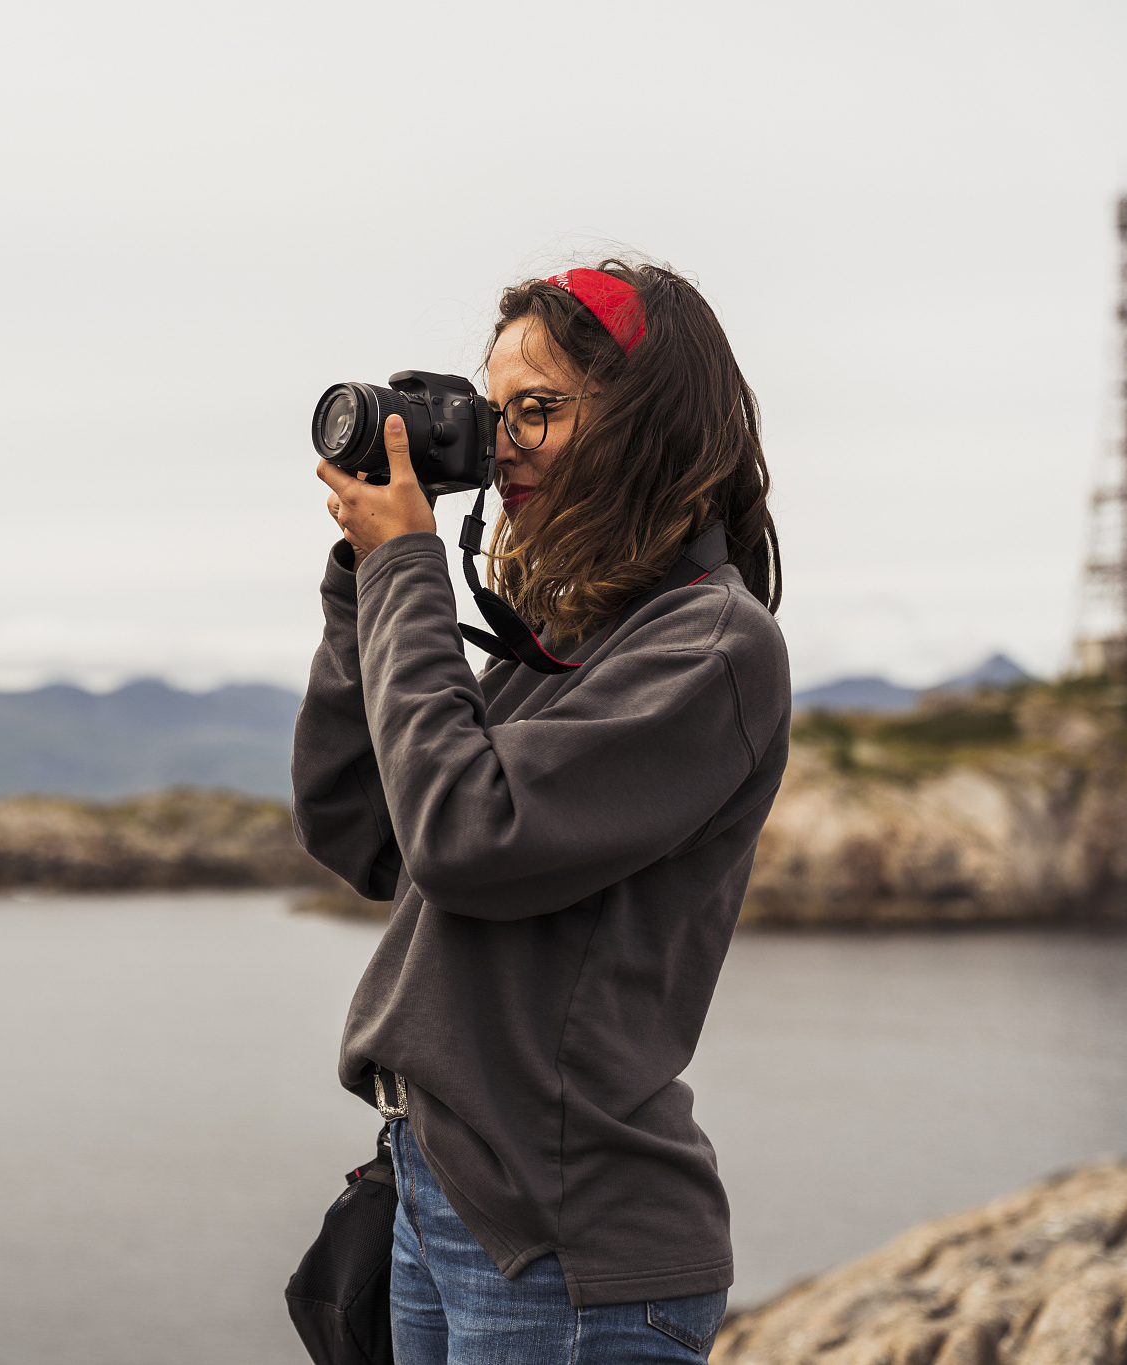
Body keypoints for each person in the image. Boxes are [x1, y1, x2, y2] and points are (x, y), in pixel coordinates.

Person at [292, 260, 790, 1364]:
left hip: (567, 1250)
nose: (500, 441)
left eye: (539, 410)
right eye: (494, 409)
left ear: (647, 423)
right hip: (443, 1190)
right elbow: (364, 831)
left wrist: (406, 564)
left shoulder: (706, 649)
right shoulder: (563, 635)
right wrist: (361, 580)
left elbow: (465, 841)